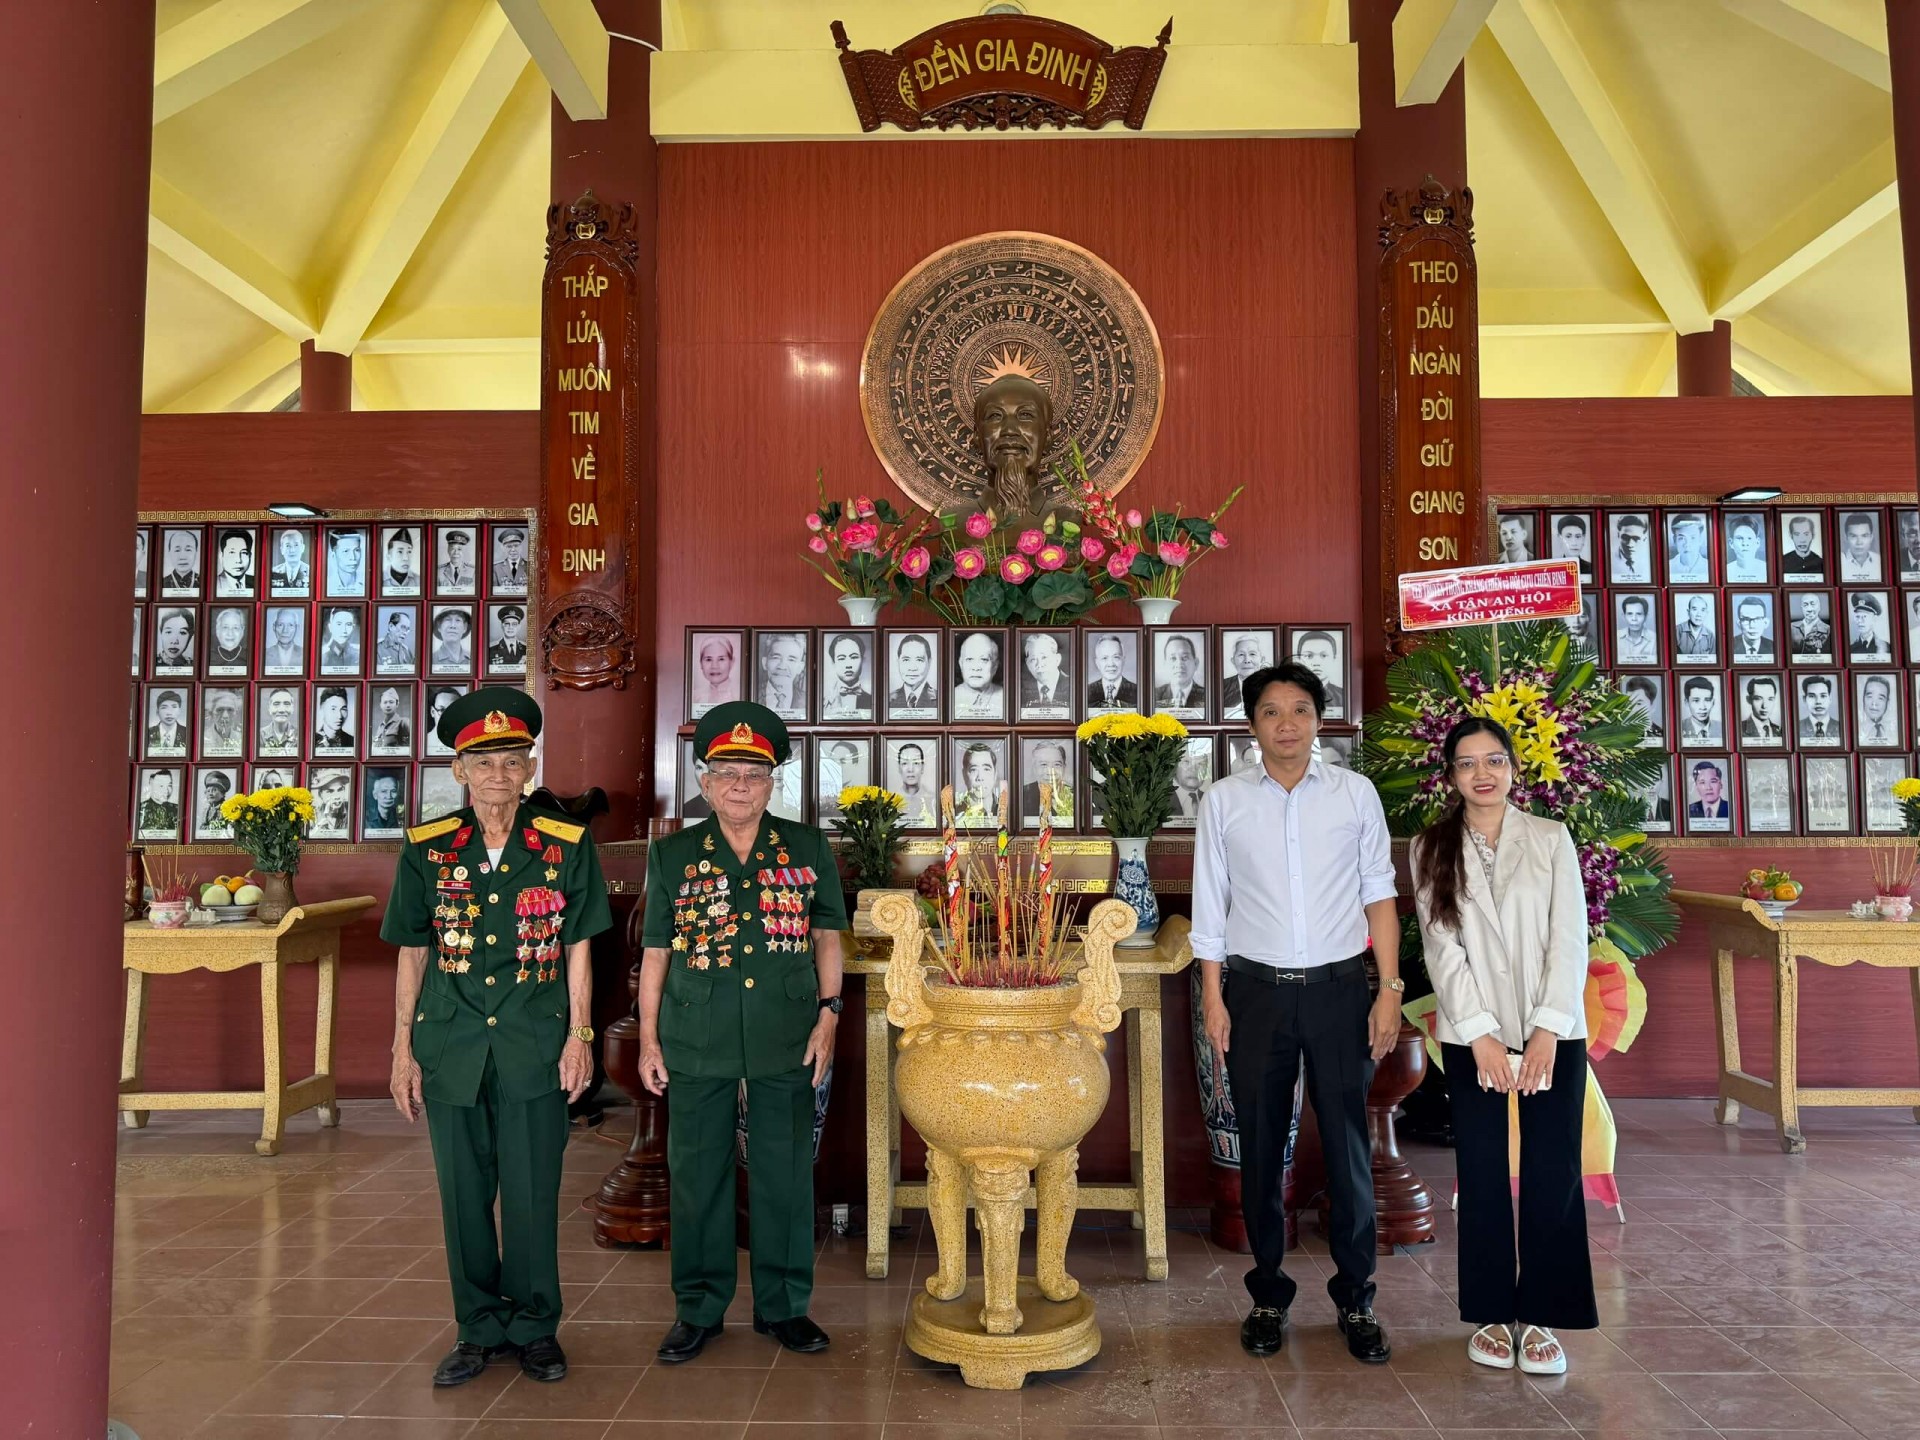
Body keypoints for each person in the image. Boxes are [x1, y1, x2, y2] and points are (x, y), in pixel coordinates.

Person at [382, 686, 610, 1388]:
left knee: (535, 1191)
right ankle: (478, 1326)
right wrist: (400, 1050)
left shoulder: (565, 845)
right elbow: (413, 950)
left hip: (535, 1043)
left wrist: (580, 1036)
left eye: (512, 761)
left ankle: (536, 1327)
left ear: (530, 767)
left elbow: (578, 948)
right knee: (462, 1193)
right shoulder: (428, 849)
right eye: (484, 763)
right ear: (459, 771)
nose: (498, 776)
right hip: (450, 1045)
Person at [1193, 660, 1401, 1365]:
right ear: (1252, 725)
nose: (1288, 724)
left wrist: (1390, 989)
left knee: (1347, 1149)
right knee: (1260, 1146)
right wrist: (1213, 996)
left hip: (1341, 989)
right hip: (1255, 993)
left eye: (1302, 709)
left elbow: (1380, 895)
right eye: (1273, 711)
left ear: (1320, 719)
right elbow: (1210, 906)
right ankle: (1267, 1295)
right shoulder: (1224, 801)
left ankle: (1357, 1300)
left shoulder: (1354, 794)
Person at [635, 701, 846, 1365]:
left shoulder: (808, 848)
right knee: (698, 1173)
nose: (739, 786)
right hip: (695, 1030)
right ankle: (698, 1309)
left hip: (787, 1029)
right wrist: (647, 1038)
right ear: (704, 781)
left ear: (772, 782)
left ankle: (784, 1307)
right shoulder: (671, 855)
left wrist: (830, 1015)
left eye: (753, 775)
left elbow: (827, 938)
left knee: (785, 1171)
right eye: (725, 772)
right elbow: (656, 954)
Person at [1410, 718, 1596, 1375]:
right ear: (1451, 775)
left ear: (1515, 768)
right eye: (1466, 763)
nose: (1481, 773)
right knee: (1483, 1176)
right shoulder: (1431, 846)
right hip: (1472, 1036)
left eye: (1493, 760)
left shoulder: (1549, 839)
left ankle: (1544, 1313)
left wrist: (1547, 1027)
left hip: (1553, 1033)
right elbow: (1442, 949)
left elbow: (1569, 938)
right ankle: (1491, 1312)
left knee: (1552, 1172)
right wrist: (1482, 1036)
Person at [818, 634, 873, 719]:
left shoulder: (872, 701)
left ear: (862, 660)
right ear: (833, 662)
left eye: (854, 657)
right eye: (841, 658)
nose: (848, 665)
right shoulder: (822, 701)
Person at [951, 631, 1004, 718]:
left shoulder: (1008, 698)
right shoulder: (948, 698)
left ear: (995, 666)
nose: (976, 668)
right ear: (961, 664)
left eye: (984, 659)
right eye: (969, 659)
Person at [1020, 740, 1075, 824]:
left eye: (1057, 764)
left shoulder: (1076, 795)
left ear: (1064, 767)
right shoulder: (1021, 796)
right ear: (1034, 768)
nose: (1050, 772)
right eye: (1043, 765)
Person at [1292, 632, 1345, 714]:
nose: (1316, 662)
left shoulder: (1343, 696)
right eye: (1309, 656)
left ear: (1334, 659)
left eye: (1323, 656)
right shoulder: (1288, 694)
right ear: (1298, 659)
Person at [953, 741, 1002, 828]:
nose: (980, 777)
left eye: (986, 769)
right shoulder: (955, 814)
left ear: (995, 774)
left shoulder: (1006, 812)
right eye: (973, 769)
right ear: (964, 775)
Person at [888, 633, 938, 715]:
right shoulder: (887, 700)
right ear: (898, 662)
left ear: (929, 662)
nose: (912, 668)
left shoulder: (941, 699)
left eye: (919, 660)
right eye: (906, 660)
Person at [1085, 634, 1137, 710]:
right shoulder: (1086, 692)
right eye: (1104, 658)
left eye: (1116, 657)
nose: (1111, 664)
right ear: (1097, 663)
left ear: (1123, 660)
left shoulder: (1138, 692)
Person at [1221, 633, 1271, 714]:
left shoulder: (1271, 686)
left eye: (1252, 654)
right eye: (1241, 654)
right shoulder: (1222, 687)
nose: (1247, 660)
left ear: (1262, 659)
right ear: (1233, 660)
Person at [1018, 632, 1068, 712]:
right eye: (1033, 659)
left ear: (1057, 659)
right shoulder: (1019, 691)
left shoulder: (1076, 687)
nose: (1039, 664)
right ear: (1027, 663)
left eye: (1044, 657)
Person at [691, 634, 741, 714]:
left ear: (731, 662)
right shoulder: (693, 697)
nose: (714, 666)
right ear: (701, 663)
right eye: (708, 659)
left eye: (721, 659)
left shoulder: (740, 695)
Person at [757, 632, 805, 714]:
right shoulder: (751, 695)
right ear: (765, 663)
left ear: (800, 667)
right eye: (776, 658)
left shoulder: (807, 701)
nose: (782, 666)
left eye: (791, 659)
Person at [892, 742, 938, 827]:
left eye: (916, 763)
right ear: (899, 767)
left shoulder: (934, 800)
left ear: (922, 767)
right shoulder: (890, 801)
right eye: (905, 763)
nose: (910, 769)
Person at [1154, 634, 1205, 711]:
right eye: (1173, 658)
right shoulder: (1154, 695)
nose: (1179, 664)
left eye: (1185, 657)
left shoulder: (1208, 696)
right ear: (1165, 664)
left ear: (1196, 663)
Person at [1614, 597, 1656, 664]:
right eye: (1630, 614)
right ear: (1624, 616)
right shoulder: (1615, 637)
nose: (1634, 619)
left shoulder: (1655, 639)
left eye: (1639, 614)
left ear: (1646, 617)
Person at [259, 688, 300, 756]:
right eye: (276, 704)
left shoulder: (300, 735)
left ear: (292, 708)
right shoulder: (259, 736)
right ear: (269, 708)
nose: (281, 710)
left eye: (287, 704)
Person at [1609, 514, 1650, 583]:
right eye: (1625, 537)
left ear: (1644, 539)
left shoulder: (1649, 565)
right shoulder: (1609, 562)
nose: (1630, 544)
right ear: (1618, 535)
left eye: (1636, 538)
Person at [1667, 516, 1709, 582]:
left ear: (1700, 539)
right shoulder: (1668, 566)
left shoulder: (1709, 567)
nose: (1687, 544)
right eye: (1681, 538)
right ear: (1675, 540)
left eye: (1693, 538)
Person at [1849, 593, 1891, 660]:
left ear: (1874, 619)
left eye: (1864, 616)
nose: (1860, 621)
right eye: (1858, 616)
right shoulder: (1850, 649)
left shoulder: (1886, 648)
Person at [1741, 676, 1784, 741]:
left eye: (1770, 699)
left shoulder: (1780, 730)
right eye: (1758, 699)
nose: (1764, 706)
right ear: (1749, 700)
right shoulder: (1739, 729)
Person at [1840, 512, 1881, 581]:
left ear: (1871, 537)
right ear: (1846, 538)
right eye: (1853, 536)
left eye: (1864, 536)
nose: (1859, 542)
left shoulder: (1879, 560)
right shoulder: (1839, 561)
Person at [203, 690, 245, 756]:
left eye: (230, 710)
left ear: (236, 714)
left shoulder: (242, 739)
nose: (225, 716)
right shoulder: (202, 739)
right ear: (211, 713)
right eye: (219, 710)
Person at [1859, 675, 1898, 745]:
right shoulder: (1856, 729)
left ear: (1887, 703)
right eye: (1870, 696)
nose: (1874, 703)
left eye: (1880, 698)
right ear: (1863, 699)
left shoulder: (1896, 732)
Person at [214, 528, 254, 595]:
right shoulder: (213, 584)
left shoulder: (257, 582)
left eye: (244, 553)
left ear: (250, 556)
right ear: (221, 556)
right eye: (232, 552)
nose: (238, 560)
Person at [1799, 676, 1839, 743]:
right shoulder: (1797, 727)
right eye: (1812, 696)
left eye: (1823, 696)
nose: (1818, 701)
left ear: (1830, 699)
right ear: (1804, 699)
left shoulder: (1841, 726)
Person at [1679, 677, 1719, 744]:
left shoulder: (1721, 727)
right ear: (1686, 702)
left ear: (1713, 702)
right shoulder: (1679, 727)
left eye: (1707, 700)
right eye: (1696, 701)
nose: (1703, 707)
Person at [320, 606, 361, 670]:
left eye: (348, 624)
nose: (344, 630)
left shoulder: (359, 653)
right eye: (339, 624)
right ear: (330, 627)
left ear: (353, 627)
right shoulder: (321, 653)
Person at [1551, 515, 1592, 580]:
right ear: (1560, 538)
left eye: (1578, 536)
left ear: (1583, 538)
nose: (1574, 543)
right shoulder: (1553, 569)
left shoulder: (1591, 569)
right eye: (1568, 536)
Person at [160, 528, 200, 594]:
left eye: (188, 550)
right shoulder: (162, 583)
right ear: (169, 553)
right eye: (177, 550)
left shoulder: (204, 582)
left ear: (196, 552)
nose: (182, 557)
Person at [327, 529, 366, 595]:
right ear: (333, 556)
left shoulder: (367, 584)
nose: (353, 557)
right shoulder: (328, 586)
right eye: (346, 551)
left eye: (356, 550)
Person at [372, 686, 412, 750]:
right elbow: (375, 747)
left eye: (391, 702)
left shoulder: (404, 722)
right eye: (385, 702)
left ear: (397, 704)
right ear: (380, 705)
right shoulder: (380, 726)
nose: (388, 705)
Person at [384, 528, 421, 594]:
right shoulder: (379, 579)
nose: (406, 558)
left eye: (409, 552)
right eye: (400, 552)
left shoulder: (419, 580)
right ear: (389, 557)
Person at [199, 771, 235, 835]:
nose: (210, 793)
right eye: (208, 791)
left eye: (214, 790)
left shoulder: (228, 809)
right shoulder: (206, 810)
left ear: (222, 794)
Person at [493, 527, 529, 591]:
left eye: (516, 546)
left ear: (521, 547)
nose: (513, 550)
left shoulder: (531, 566)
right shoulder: (496, 568)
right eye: (509, 546)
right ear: (503, 548)